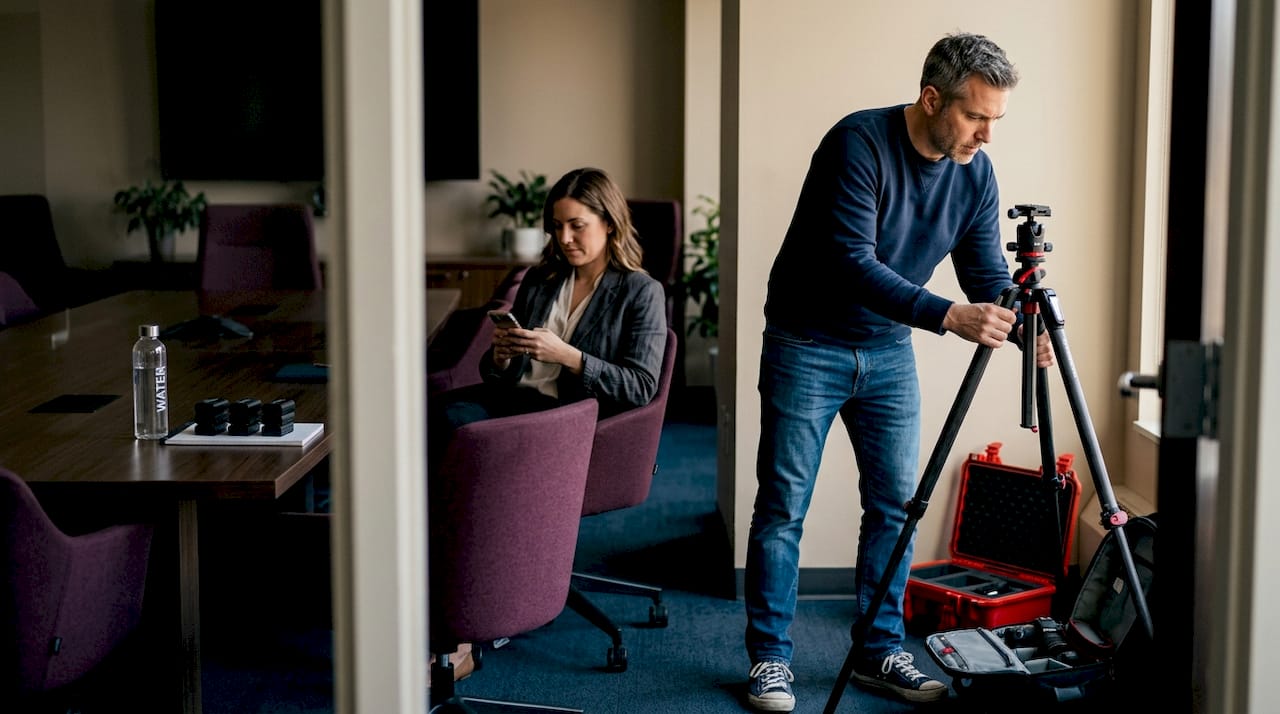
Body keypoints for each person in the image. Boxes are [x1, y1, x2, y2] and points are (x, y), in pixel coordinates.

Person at [743, 32, 1053, 712]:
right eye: (976, 116)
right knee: (783, 508)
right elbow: (852, 262)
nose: (987, 135)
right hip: (807, 343)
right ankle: (770, 659)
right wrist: (947, 316)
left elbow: (984, 273)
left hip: (886, 350)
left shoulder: (974, 173)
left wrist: (1023, 327)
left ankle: (879, 651)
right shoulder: (857, 144)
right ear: (932, 99)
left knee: (894, 506)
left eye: (996, 119)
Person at [433, 166, 667, 435]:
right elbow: (496, 373)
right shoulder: (540, 278)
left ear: (610, 223)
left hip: (563, 414)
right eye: (557, 226)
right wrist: (501, 358)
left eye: (577, 226)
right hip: (512, 399)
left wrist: (569, 356)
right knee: (424, 412)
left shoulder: (641, 292)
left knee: (452, 423)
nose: (565, 238)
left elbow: (640, 387)